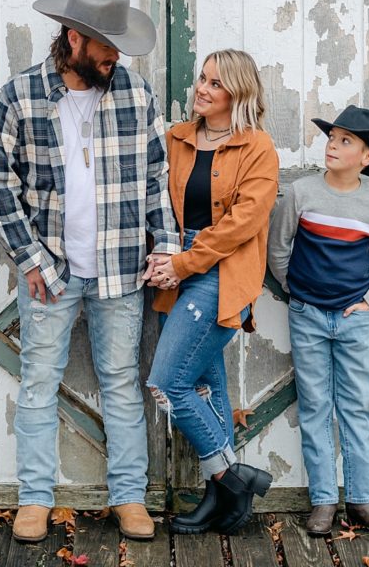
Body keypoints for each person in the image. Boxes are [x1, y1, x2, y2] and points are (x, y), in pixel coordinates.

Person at [0, 0, 179, 544]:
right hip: (51, 271)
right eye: (106, 45)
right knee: (39, 381)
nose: (116, 55)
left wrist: (164, 245)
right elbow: (0, 188)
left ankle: (128, 498)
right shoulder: (19, 97)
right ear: (73, 38)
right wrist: (31, 261)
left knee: (122, 383)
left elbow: (154, 181)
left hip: (121, 269)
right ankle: (34, 500)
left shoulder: (135, 96)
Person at [145, 50, 280, 536]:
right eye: (201, 78)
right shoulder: (176, 139)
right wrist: (163, 259)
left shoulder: (257, 148)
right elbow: (153, 201)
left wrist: (183, 264)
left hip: (221, 273)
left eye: (215, 84)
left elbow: (242, 224)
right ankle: (223, 497)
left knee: (166, 384)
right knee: (206, 387)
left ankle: (229, 476)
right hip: (173, 269)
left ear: (238, 95)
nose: (201, 89)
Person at [267, 105, 369, 537]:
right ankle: (324, 501)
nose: (333, 145)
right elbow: (278, 247)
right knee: (314, 407)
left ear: (367, 157)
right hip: (307, 316)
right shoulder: (303, 193)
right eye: (332, 138)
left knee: (353, 407)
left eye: (345, 141)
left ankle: (363, 499)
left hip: (352, 320)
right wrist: (296, 290)